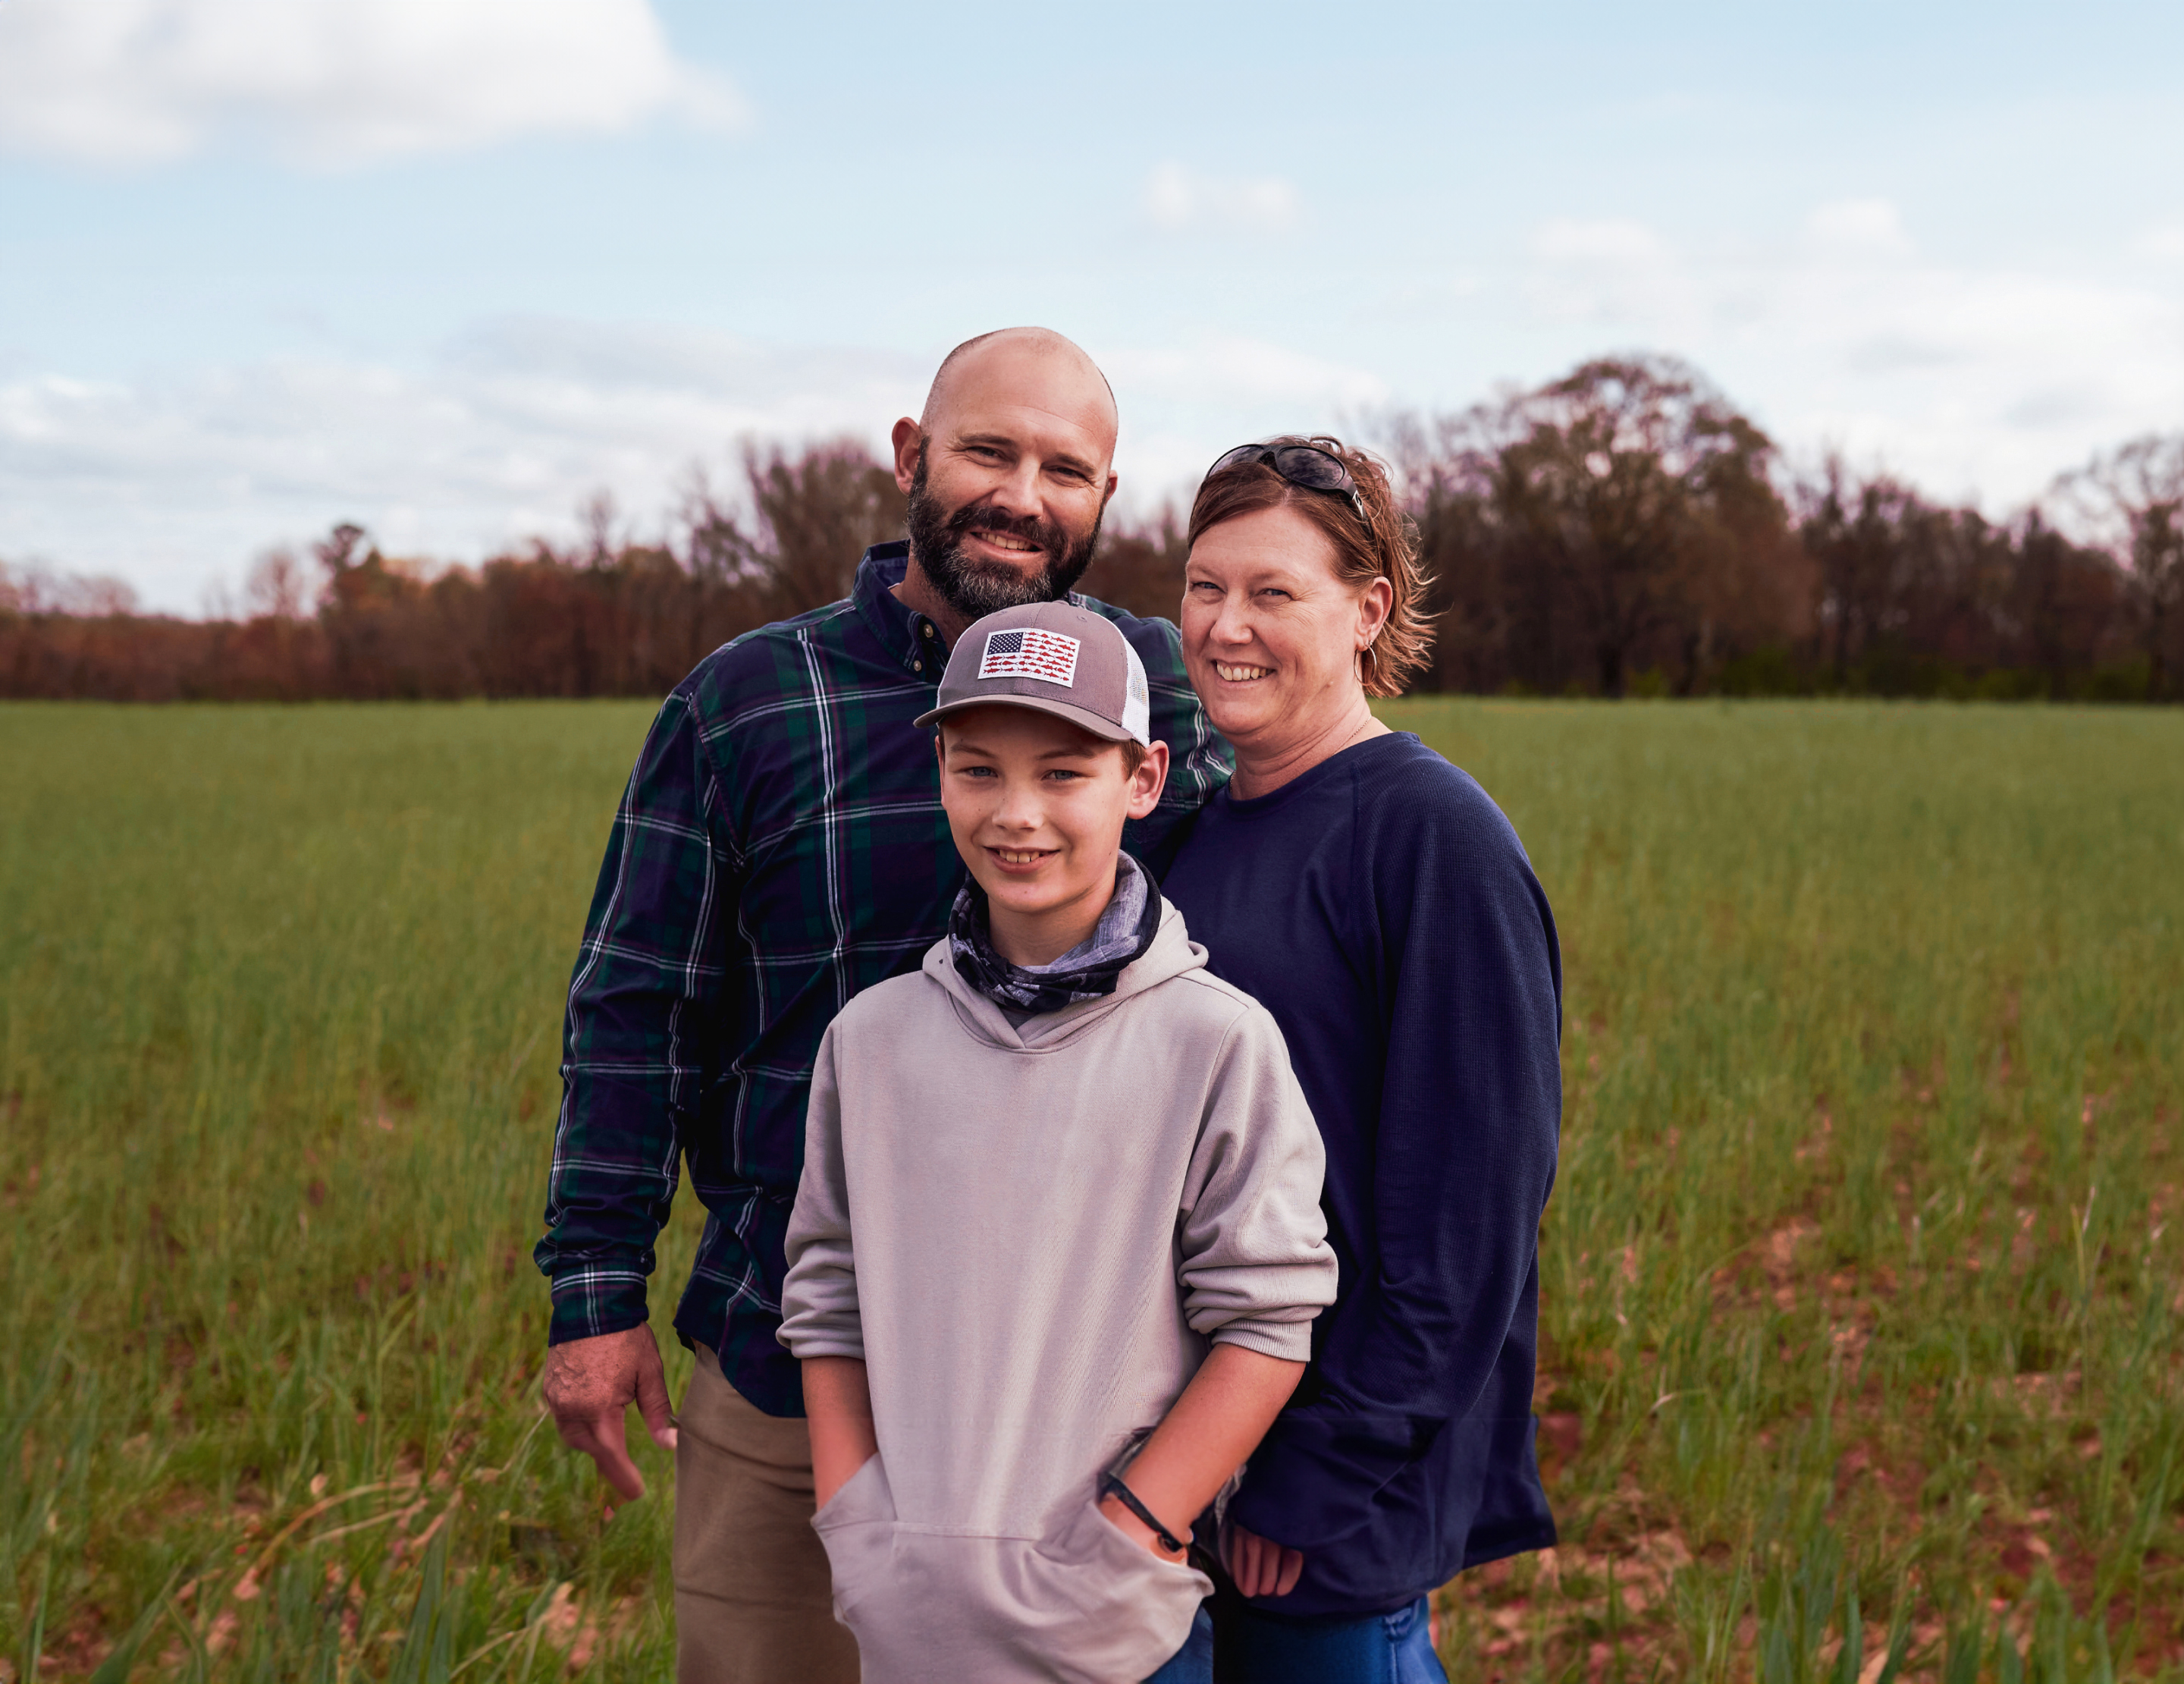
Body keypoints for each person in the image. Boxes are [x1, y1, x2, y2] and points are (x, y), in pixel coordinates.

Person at [533, 328, 1232, 1684]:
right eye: (987, 450)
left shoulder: (1164, 695)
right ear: (912, 456)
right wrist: (595, 1293)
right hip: (788, 1357)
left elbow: (1309, 853)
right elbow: (637, 1008)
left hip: (1079, 1388)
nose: (1022, 494)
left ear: (1103, 503)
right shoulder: (746, 705)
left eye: (1065, 469)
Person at [778, 602, 1339, 1683]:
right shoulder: (874, 1041)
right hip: (910, 1627)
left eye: (1065, 774)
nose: (1016, 814)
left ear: (1142, 778)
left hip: (1120, 1635)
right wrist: (860, 1529)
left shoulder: (1216, 1041)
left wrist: (1129, 1535)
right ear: (939, 769)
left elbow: (1269, 1320)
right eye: (978, 770)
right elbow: (828, 1293)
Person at [1159, 438, 1564, 1682]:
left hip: (1323, 1515)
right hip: (1178, 1481)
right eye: (1205, 586)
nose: (1228, 627)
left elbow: (1471, 1222)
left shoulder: (1431, 838)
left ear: (1367, 607)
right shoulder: (1185, 835)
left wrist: (1318, 1467)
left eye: (1274, 593)